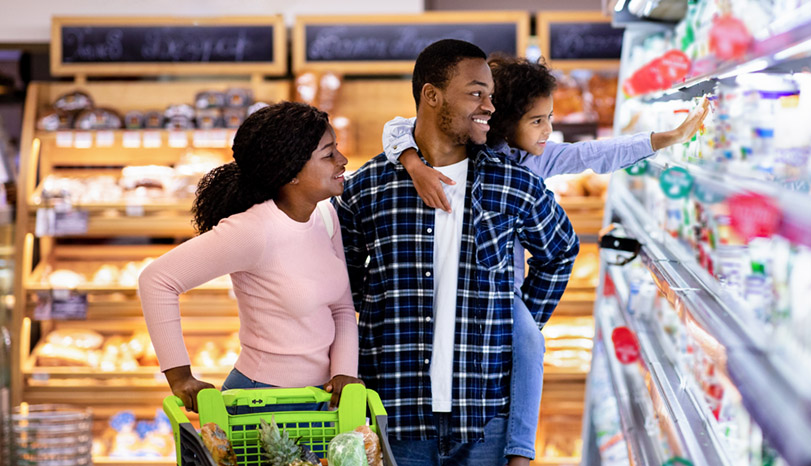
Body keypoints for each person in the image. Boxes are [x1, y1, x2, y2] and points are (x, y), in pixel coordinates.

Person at [380, 55, 709, 464]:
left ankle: (519, 447)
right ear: (503, 119)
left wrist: (663, 138)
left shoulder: (539, 160)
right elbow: (396, 128)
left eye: (548, 118)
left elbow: (593, 155)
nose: (548, 130)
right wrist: (412, 162)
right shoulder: (466, 144)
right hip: (447, 290)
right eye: (537, 120)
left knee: (530, 342)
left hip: (503, 291)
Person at [334, 40, 579, 466]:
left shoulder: (512, 184)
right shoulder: (368, 188)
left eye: (491, 95)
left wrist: (519, 320)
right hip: (395, 414)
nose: (489, 105)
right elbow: (342, 288)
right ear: (432, 96)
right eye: (475, 93)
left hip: (484, 417)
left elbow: (559, 252)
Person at [139, 102, 361, 413]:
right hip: (263, 403)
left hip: (322, 400)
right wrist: (180, 377)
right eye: (328, 154)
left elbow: (342, 308)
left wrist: (344, 374)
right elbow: (156, 280)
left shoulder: (324, 216)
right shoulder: (253, 230)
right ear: (292, 173)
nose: (342, 160)